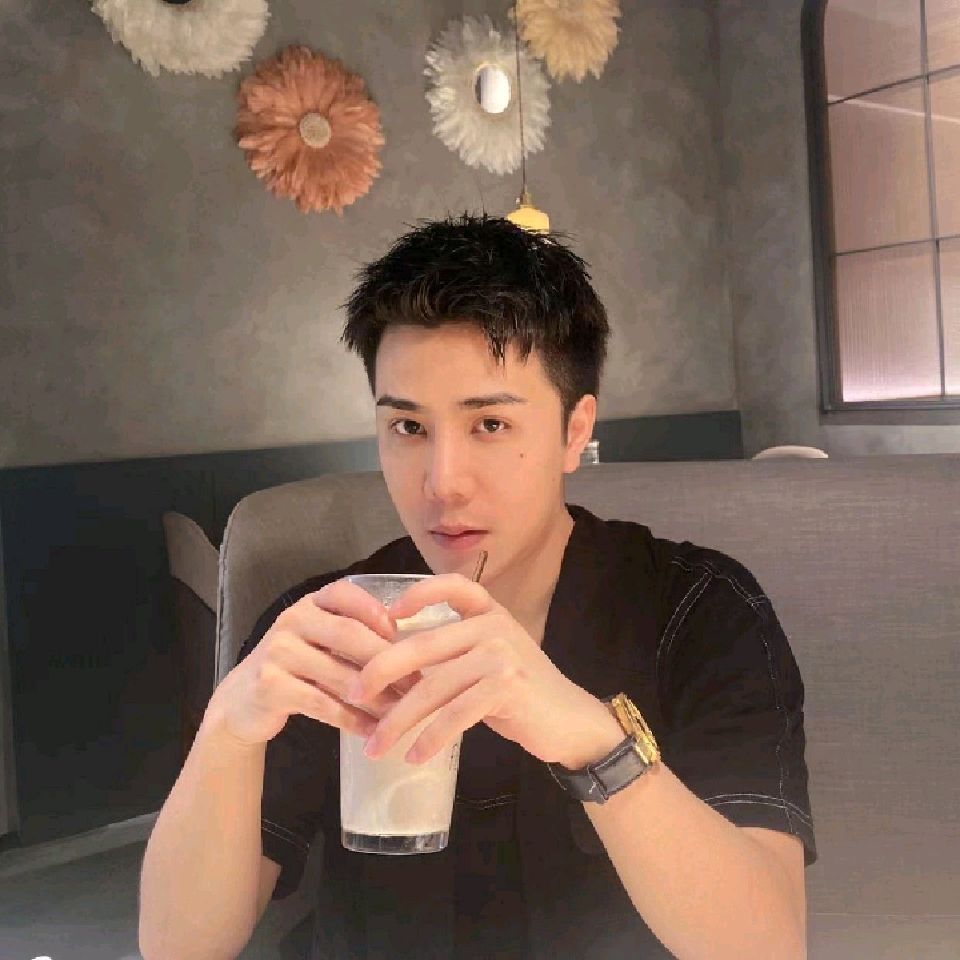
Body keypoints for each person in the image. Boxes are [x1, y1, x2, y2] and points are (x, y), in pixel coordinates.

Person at [139, 214, 816, 960]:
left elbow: (765, 947)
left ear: (573, 431)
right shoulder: (332, 629)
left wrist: (593, 741)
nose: (442, 484)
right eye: (408, 428)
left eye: (489, 424)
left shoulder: (698, 611)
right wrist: (227, 727)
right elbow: (179, 947)